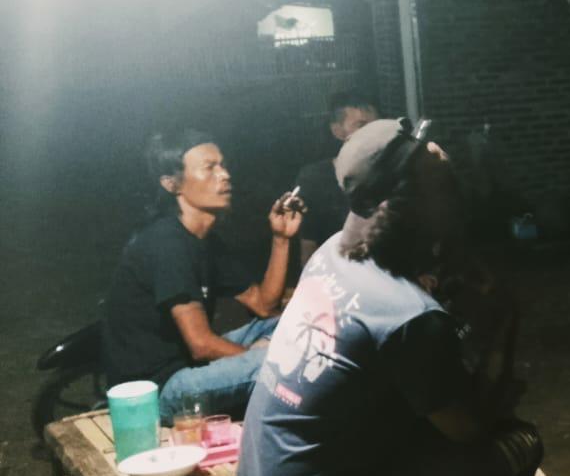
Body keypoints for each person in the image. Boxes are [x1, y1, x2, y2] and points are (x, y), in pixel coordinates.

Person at [239, 118, 540, 476]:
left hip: (263, 464)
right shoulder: (408, 314)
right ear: (410, 203)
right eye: (443, 186)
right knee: (518, 442)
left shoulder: (331, 253)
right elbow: (468, 427)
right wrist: (498, 329)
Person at [101, 129, 304, 421]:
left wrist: (281, 238)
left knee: (297, 325)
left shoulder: (204, 240)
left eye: (223, 165)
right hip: (158, 391)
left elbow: (264, 305)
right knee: (284, 362)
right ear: (171, 184)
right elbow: (201, 345)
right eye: (209, 168)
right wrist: (253, 354)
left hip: (188, 367)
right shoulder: (166, 244)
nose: (225, 175)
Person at [291, 91, 378, 253]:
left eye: (377, 125)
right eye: (361, 125)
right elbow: (308, 246)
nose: (373, 132)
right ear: (338, 131)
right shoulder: (314, 178)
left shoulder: (389, 171)